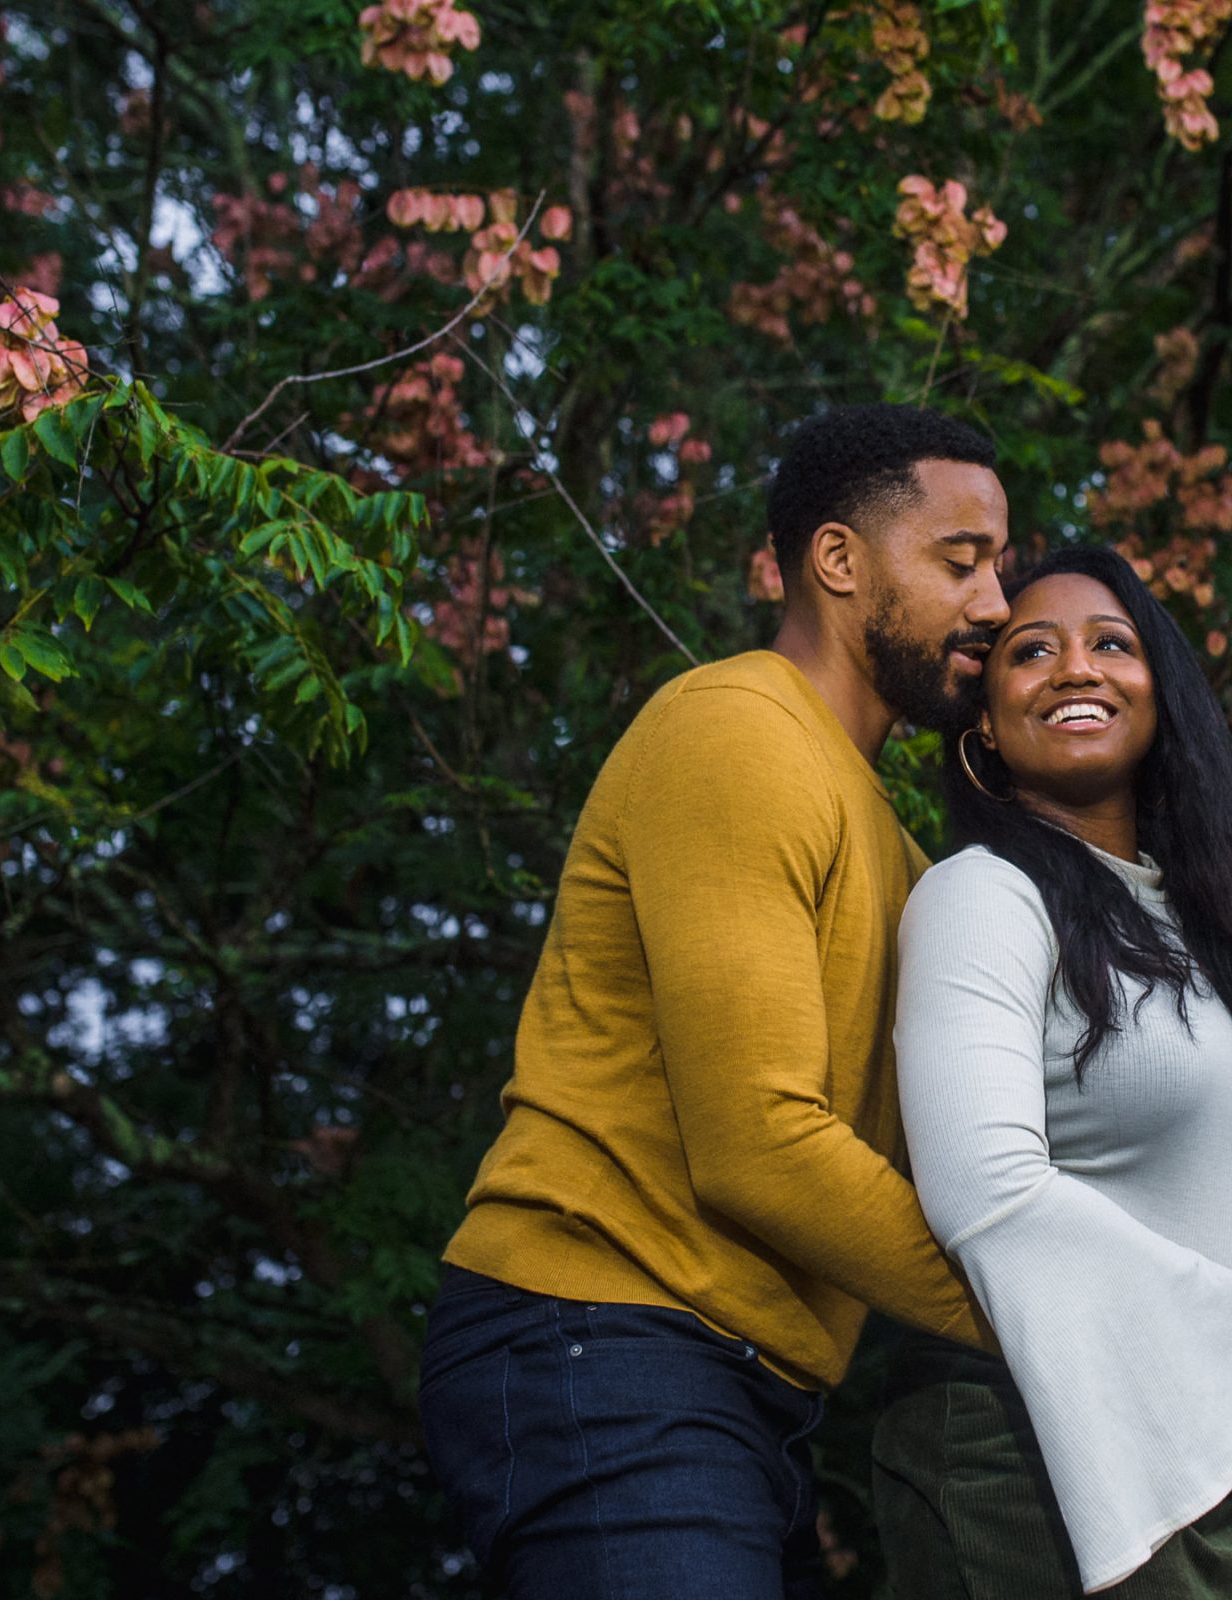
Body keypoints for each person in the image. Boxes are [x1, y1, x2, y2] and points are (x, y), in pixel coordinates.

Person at [419, 404, 1013, 1599]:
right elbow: (758, 1146)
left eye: (1000, 567)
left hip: (740, 1384)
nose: (996, 604)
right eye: (960, 562)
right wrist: (1054, 1317)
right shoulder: (736, 731)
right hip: (599, 1325)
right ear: (837, 560)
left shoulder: (900, 855)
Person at [873, 544, 1232, 1597]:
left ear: (1165, 695)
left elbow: (1206, 1212)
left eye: (1112, 642)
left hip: (1205, 1436)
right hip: (1026, 1446)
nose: (1074, 668)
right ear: (981, 721)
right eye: (1028, 652)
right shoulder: (985, 896)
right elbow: (983, 1188)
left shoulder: (1211, 931)